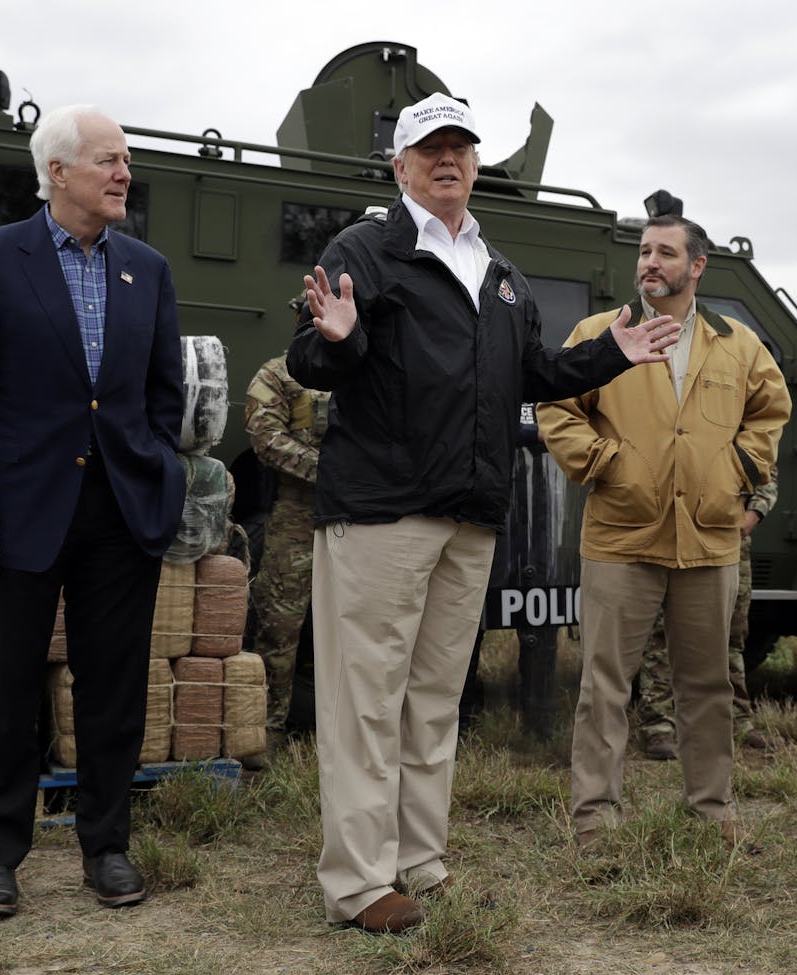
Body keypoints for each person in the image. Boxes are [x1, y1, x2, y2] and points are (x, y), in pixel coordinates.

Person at [286, 93, 682, 934]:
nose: (449, 160)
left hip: (470, 515)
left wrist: (615, 351)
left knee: (433, 697)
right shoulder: (367, 248)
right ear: (401, 166)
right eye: (432, 148)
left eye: (461, 146)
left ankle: (418, 862)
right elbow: (316, 360)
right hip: (384, 512)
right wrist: (339, 336)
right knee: (367, 701)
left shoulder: (498, 273)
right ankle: (358, 882)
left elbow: (530, 372)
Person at [0, 106, 185, 918]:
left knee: (114, 689)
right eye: (109, 159)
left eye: (126, 160)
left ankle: (106, 847)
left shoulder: (147, 267)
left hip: (121, 513)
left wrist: (161, 481)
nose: (124, 174)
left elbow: (162, 397)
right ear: (59, 173)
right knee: (7, 687)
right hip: (21, 510)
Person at [538, 214, 791, 846]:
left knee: (707, 685)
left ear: (696, 266)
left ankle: (712, 812)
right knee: (604, 686)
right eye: (645, 251)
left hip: (709, 538)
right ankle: (594, 819)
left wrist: (736, 467)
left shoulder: (739, 344)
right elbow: (557, 406)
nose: (651, 262)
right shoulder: (600, 334)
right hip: (622, 535)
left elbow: (770, 412)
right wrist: (606, 463)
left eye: (666, 253)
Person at [636, 469, 778, 758]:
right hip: (674, 530)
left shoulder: (739, 422)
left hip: (729, 537)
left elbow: (766, 469)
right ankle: (658, 727)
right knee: (662, 634)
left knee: (731, 632)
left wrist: (753, 514)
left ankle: (736, 720)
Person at [244, 303, 331, 757]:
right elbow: (265, 438)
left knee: (363, 631)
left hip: (360, 519)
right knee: (279, 626)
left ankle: (345, 734)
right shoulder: (277, 375)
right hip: (297, 517)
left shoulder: (362, 373)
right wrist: (333, 472)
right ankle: (266, 733)